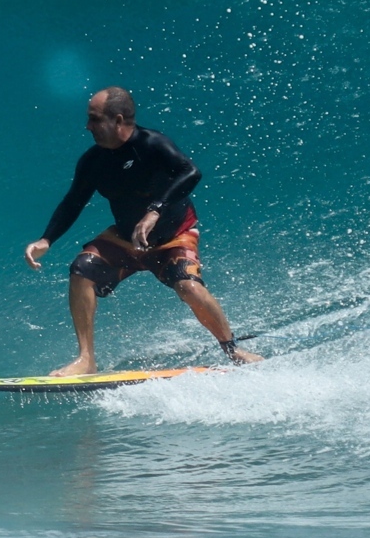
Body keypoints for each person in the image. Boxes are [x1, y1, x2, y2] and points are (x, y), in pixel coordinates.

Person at [25, 87, 264, 375]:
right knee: (81, 269)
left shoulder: (152, 144)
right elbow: (74, 200)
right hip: (125, 239)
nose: (88, 126)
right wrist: (46, 239)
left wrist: (155, 210)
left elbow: (190, 172)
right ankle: (86, 359)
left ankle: (232, 348)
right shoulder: (93, 160)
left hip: (173, 236)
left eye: (95, 119)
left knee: (188, 285)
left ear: (118, 119)